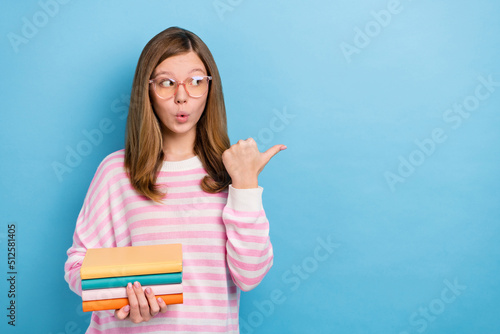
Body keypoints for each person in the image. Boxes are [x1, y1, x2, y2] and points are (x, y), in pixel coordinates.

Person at [64, 26, 286, 333]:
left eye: (195, 81)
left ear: (210, 88)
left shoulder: (229, 175)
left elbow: (250, 276)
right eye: (167, 83)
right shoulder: (116, 172)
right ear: (148, 90)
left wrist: (246, 184)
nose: (182, 96)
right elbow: (77, 265)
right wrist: (122, 300)